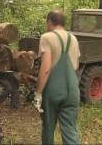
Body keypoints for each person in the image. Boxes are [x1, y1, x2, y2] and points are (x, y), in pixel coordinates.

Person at [33, 10, 81, 144]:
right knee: (70, 129)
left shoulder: (47, 37)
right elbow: (75, 66)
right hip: (72, 90)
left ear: (49, 21)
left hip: (53, 91)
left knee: (48, 128)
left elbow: (46, 68)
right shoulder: (74, 39)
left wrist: (38, 93)